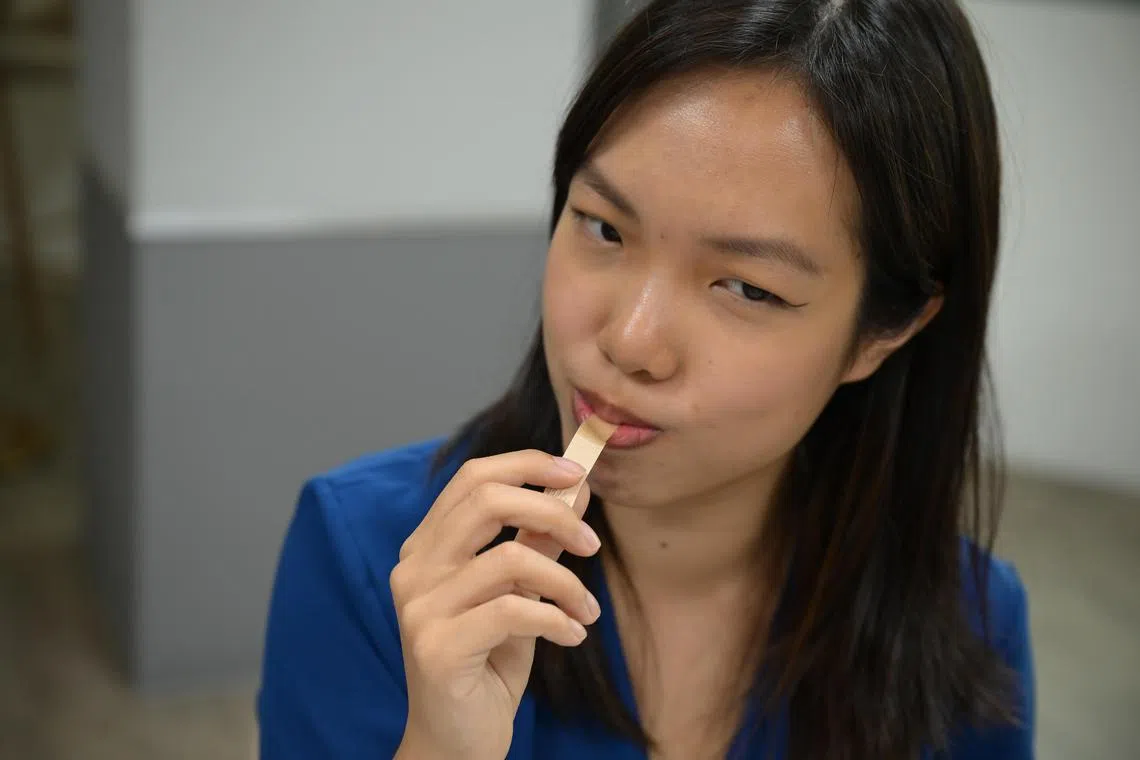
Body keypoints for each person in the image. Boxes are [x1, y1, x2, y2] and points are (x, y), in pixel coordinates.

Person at [256, 0, 1035, 757]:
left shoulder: (970, 623)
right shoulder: (368, 554)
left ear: (883, 333)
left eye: (747, 287)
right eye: (603, 226)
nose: (630, 342)